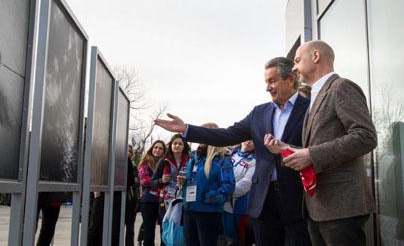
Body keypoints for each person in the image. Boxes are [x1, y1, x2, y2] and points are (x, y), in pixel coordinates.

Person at [155, 57, 311, 246]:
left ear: (290, 79)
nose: (267, 87)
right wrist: (186, 129)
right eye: (266, 82)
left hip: (299, 199)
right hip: (263, 200)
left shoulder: (310, 109)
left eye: (272, 81)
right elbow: (227, 135)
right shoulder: (259, 113)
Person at [275, 40, 377, 245]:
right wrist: (286, 149)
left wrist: (311, 155)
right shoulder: (315, 96)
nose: (293, 67)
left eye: (297, 60)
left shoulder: (341, 87)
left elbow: (366, 136)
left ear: (315, 57)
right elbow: (315, 147)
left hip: (342, 207)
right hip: (319, 207)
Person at [181, 122, 235, 246]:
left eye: (202, 133)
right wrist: (184, 184)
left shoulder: (222, 158)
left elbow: (229, 186)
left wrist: (209, 196)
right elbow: (193, 181)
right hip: (190, 209)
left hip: (208, 212)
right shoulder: (194, 158)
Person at [222, 141, 256, 245]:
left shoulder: (255, 161)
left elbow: (246, 183)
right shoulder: (228, 155)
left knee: (238, 237)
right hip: (222, 202)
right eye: (246, 138)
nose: (248, 141)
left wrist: (225, 190)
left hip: (240, 205)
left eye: (252, 139)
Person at [153, 134, 191, 222]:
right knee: (166, 231)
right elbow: (153, 183)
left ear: (184, 146)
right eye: (175, 143)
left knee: (182, 231)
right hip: (166, 202)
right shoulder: (163, 161)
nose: (177, 145)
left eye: (180, 144)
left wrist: (186, 181)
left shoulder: (190, 161)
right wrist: (161, 180)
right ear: (171, 145)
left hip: (184, 201)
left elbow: (195, 181)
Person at [137, 140, 166, 246]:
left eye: (160, 148)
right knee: (149, 232)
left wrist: (157, 182)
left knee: (165, 231)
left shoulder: (166, 163)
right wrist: (160, 181)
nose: (157, 150)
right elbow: (144, 180)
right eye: (155, 147)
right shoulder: (145, 162)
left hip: (163, 201)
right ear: (151, 148)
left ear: (164, 151)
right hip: (148, 201)